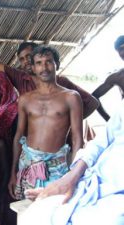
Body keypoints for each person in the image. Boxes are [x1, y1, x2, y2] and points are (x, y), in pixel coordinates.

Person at [22, 101, 124, 225]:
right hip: (89, 182)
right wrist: (70, 179)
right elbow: (100, 142)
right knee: (36, 214)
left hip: (115, 199)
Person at [0, 16, 99, 119]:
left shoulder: (61, 81)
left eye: (29, 56)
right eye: (21, 59)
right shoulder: (20, 78)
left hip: (59, 142)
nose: (26, 61)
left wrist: (69, 124)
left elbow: (92, 103)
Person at [9, 46, 83, 201]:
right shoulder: (25, 99)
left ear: (57, 64)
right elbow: (18, 136)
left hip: (56, 167)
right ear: (33, 68)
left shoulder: (71, 97)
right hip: (27, 164)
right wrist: (13, 172)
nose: (44, 67)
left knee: (53, 212)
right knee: (28, 212)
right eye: (39, 63)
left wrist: (73, 174)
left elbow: (77, 139)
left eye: (49, 62)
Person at [92, 35, 124, 121]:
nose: (122, 52)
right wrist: (109, 120)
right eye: (120, 50)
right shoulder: (117, 77)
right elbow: (94, 97)